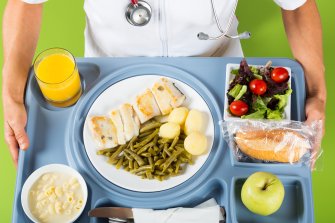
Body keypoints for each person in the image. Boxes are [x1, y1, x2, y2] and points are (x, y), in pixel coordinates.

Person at [2, 0, 326, 166]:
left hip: (217, 71)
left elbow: (297, 6)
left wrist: (316, 92)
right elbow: (26, 3)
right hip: (109, 77)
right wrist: (12, 93)